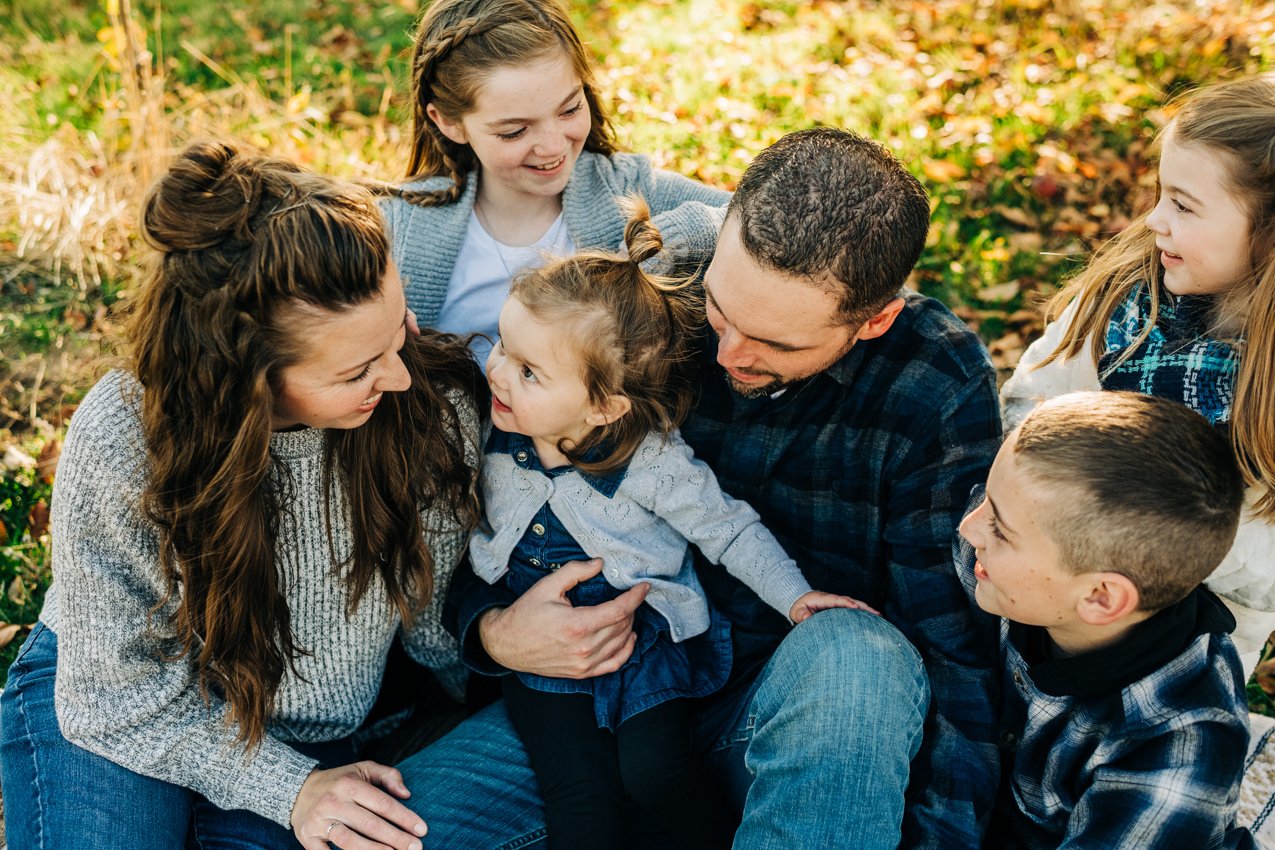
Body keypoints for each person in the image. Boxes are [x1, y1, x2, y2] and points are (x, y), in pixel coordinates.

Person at [397, 127, 1004, 850]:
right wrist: (493, 632)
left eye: (776, 344)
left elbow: (952, 647)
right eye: (720, 310)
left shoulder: (932, 381)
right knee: (387, 830)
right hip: (598, 691)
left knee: (857, 652)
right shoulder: (640, 294)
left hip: (798, 717)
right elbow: (498, 494)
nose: (727, 354)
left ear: (873, 319)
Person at [0, 140, 484, 849]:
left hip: (295, 733)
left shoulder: (429, 412)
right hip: (114, 698)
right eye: (358, 370)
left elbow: (432, 621)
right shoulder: (123, 435)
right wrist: (285, 789)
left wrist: (494, 649)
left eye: (398, 333)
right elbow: (112, 693)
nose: (402, 377)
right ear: (247, 380)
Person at [473, 200, 874, 849]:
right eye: (501, 345)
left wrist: (794, 595)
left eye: (527, 371)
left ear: (604, 406)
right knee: (579, 801)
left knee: (655, 773)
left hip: (645, 640)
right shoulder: (490, 429)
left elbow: (729, 530)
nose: (495, 373)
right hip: (540, 648)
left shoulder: (651, 463)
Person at [1000, 73, 1275, 671]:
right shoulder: (1130, 298)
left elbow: (1266, 568)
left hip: (1197, 632)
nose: (1154, 220)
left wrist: (1140, 534)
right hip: (1052, 570)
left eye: (1182, 205)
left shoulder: (1267, 385)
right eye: (1161, 193)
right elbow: (1033, 396)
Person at [958, 391, 1256, 849]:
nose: (969, 527)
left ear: (1100, 597)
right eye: (987, 500)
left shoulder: (1180, 741)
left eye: (1000, 528)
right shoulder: (1018, 569)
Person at [379, 0, 731, 363]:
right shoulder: (398, 226)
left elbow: (753, 211)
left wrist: (677, 235)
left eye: (570, 109)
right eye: (514, 131)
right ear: (449, 123)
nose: (553, 146)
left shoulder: (624, 187)